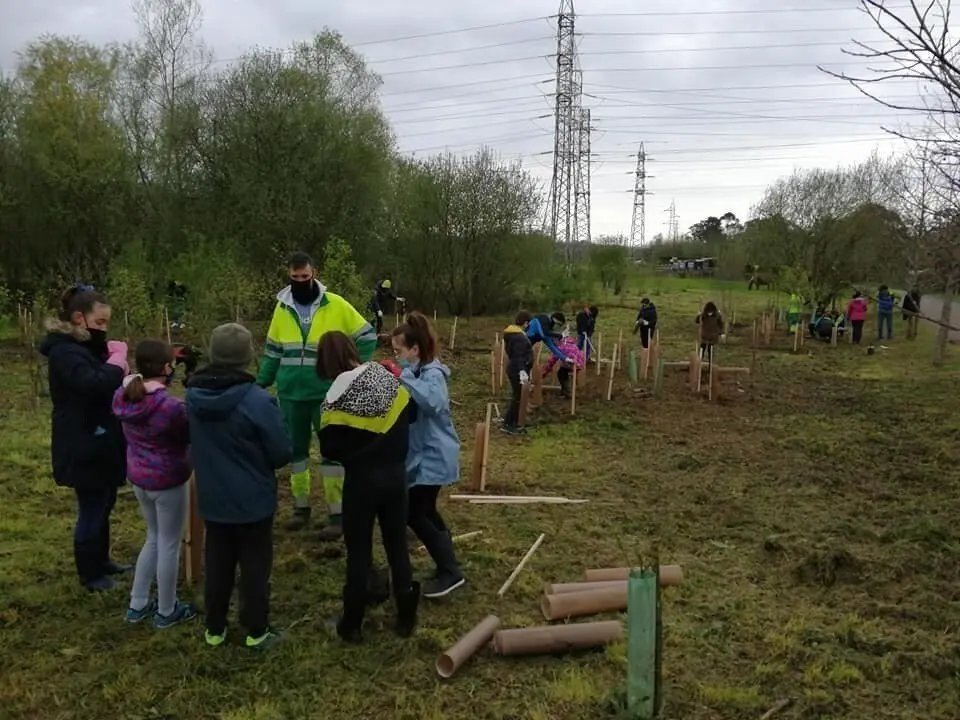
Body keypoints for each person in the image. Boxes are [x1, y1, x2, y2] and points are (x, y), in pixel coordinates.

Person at [187, 323, 293, 650]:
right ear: (248, 358)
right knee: (255, 567)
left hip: (213, 499)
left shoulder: (193, 396)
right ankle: (256, 630)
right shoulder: (259, 401)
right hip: (253, 502)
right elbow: (281, 453)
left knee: (217, 562)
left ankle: (215, 629)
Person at [257, 251, 377, 536]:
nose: (300, 282)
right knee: (296, 453)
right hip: (290, 394)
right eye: (294, 277)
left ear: (315, 273)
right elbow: (273, 351)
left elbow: (368, 336)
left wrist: (349, 371)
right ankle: (301, 508)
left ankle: (338, 513)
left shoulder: (335, 304)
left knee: (332, 452)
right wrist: (260, 383)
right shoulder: (282, 308)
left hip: (327, 393)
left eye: (305, 277)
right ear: (289, 275)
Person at [316, 332, 420, 642]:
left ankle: (352, 624)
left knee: (359, 551)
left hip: (361, 482)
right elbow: (411, 414)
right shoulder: (384, 376)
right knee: (397, 545)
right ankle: (405, 619)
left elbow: (329, 450)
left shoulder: (334, 397)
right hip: (396, 477)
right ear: (351, 350)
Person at [39, 284, 131, 592]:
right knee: (91, 506)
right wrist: (116, 363)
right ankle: (89, 574)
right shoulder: (65, 352)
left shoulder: (84, 347)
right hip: (81, 441)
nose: (104, 329)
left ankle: (102, 560)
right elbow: (93, 384)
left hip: (99, 436)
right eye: (100, 323)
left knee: (105, 500)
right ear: (79, 318)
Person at [112, 339, 195, 627]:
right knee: (169, 544)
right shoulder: (170, 407)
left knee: (153, 538)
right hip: (168, 481)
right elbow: (187, 436)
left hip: (138, 478)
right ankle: (166, 609)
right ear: (167, 368)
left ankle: (137, 603)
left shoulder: (123, 397)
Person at [390, 312, 465, 598]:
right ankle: (448, 564)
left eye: (399, 351)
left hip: (434, 455)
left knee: (414, 512)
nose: (396, 356)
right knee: (427, 510)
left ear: (415, 349)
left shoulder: (433, 374)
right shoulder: (418, 372)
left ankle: (451, 571)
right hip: (424, 455)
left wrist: (402, 377)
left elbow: (433, 403)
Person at [501, 311, 534, 436]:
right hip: (517, 370)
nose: (528, 326)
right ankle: (508, 424)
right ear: (525, 323)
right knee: (517, 398)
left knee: (519, 397)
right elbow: (518, 356)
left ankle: (516, 421)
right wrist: (521, 370)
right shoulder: (518, 337)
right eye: (528, 323)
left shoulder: (515, 335)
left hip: (517, 369)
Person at [541, 332, 585, 399]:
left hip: (573, 363)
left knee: (561, 373)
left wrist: (544, 372)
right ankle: (564, 390)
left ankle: (567, 392)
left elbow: (552, 361)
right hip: (579, 362)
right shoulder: (570, 343)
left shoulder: (560, 347)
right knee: (563, 370)